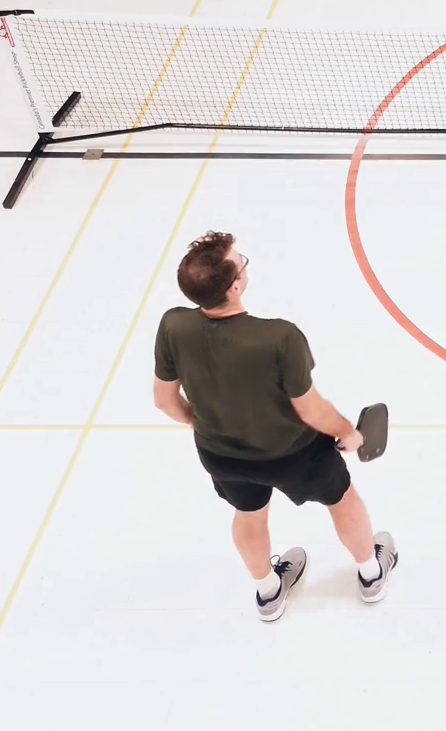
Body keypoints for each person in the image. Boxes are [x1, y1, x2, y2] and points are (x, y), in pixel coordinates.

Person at [153, 232, 398, 621]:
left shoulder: (173, 325)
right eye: (241, 262)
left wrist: (206, 425)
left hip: (220, 455)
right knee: (343, 500)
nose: (245, 264)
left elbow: (165, 400)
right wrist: (348, 433)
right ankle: (371, 573)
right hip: (295, 454)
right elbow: (311, 410)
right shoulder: (279, 338)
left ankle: (268, 593)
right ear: (235, 287)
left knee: (248, 512)